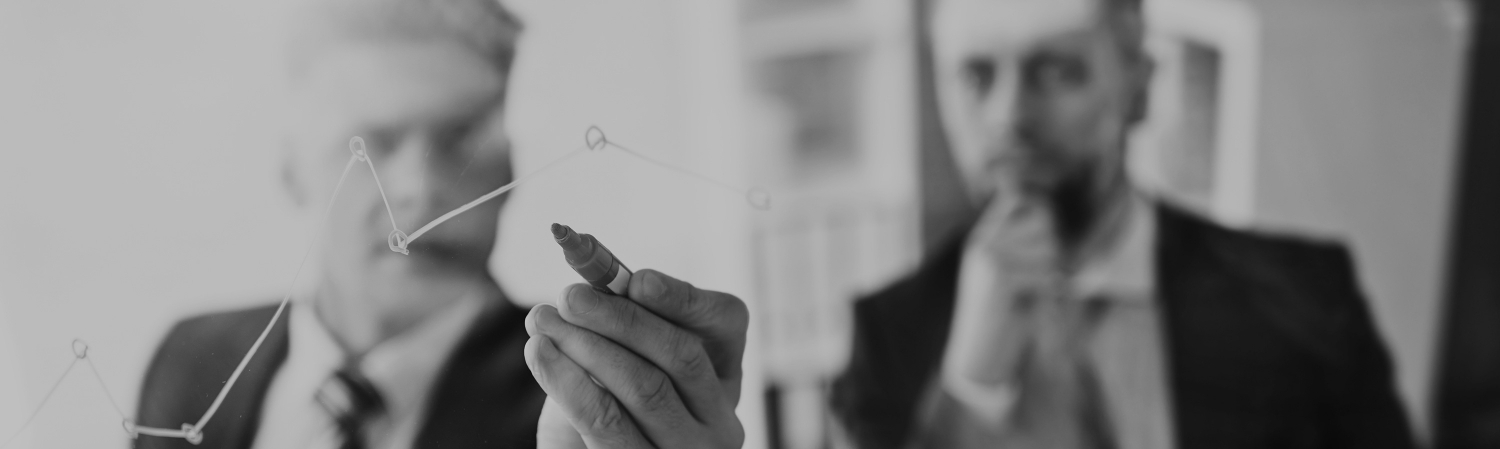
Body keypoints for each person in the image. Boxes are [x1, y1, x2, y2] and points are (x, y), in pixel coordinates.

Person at [132, 0, 749, 448]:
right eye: (372, 140)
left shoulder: (591, 401)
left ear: (510, 168)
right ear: (291, 167)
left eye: (460, 137)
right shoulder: (188, 361)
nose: (421, 188)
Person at [828, 0, 1417, 448]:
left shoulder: (1306, 295)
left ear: (1139, 86)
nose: (1009, 117)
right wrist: (970, 388)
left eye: (1057, 71)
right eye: (977, 76)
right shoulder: (885, 341)